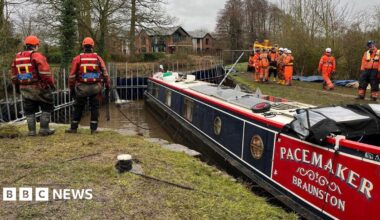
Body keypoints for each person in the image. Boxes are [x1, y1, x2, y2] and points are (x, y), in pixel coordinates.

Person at [11, 35, 56, 136]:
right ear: (35, 46)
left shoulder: (17, 57)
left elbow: (14, 76)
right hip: (39, 87)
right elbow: (45, 74)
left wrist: (18, 87)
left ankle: (31, 131)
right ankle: (44, 129)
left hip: (24, 88)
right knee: (47, 106)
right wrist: (51, 84)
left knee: (29, 109)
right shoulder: (37, 56)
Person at [66, 37, 110, 134]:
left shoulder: (77, 58)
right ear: (92, 46)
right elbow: (105, 73)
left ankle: (73, 128)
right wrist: (107, 84)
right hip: (95, 88)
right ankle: (93, 129)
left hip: (81, 88)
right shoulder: (98, 58)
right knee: (94, 107)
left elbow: (72, 76)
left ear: (83, 46)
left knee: (78, 107)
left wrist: (72, 88)